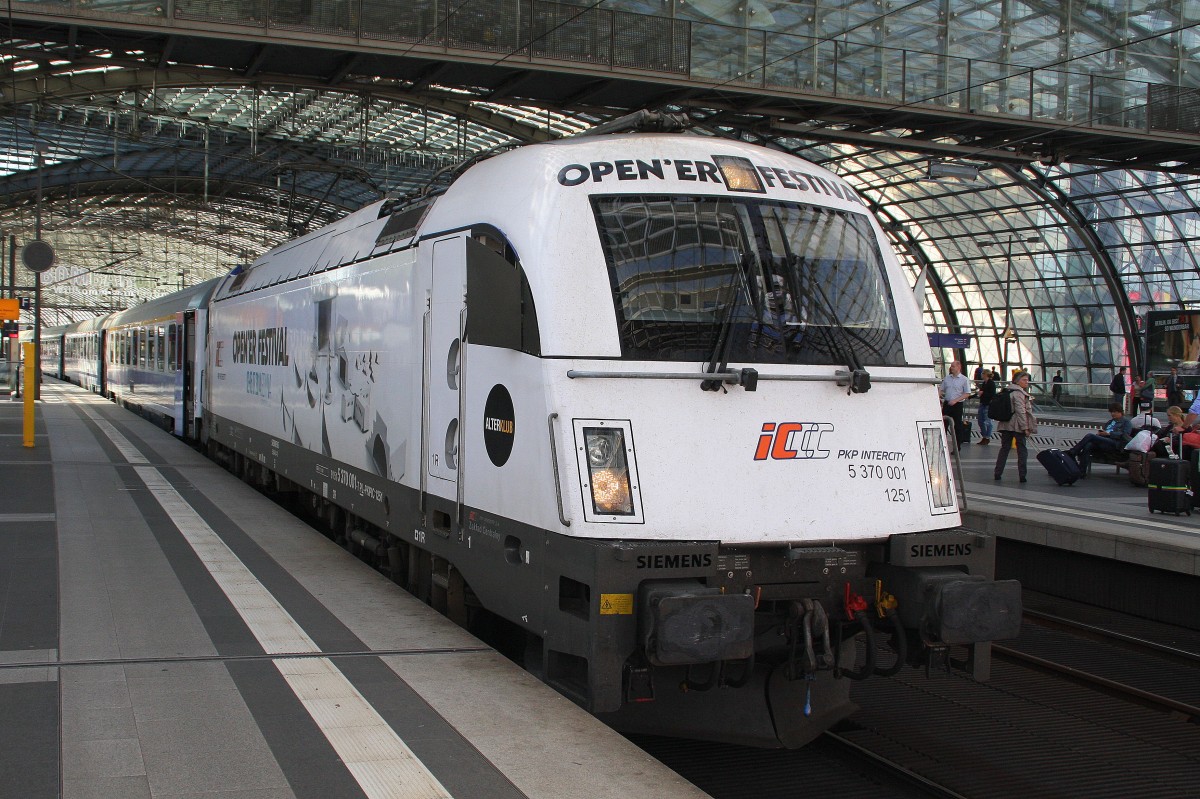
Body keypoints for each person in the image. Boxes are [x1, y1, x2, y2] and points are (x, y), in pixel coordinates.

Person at [1067, 404, 1134, 475]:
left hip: (1115, 443)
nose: (1112, 414)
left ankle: (1073, 452)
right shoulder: (1110, 422)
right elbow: (1105, 431)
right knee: (1088, 445)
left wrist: (1109, 434)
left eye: (1114, 412)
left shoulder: (1126, 422)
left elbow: (1125, 434)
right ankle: (1081, 471)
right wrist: (1101, 434)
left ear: (1120, 412)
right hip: (1105, 440)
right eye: (1111, 412)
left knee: (1090, 436)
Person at [994, 371, 1036, 482]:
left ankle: (997, 472)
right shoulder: (1019, 393)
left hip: (1005, 424)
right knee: (1022, 450)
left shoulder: (1006, 390)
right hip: (1017, 426)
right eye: (1024, 380)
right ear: (1017, 381)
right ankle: (1022, 475)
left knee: (1004, 449)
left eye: (1027, 380)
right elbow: (1021, 412)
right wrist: (1025, 428)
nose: (1027, 382)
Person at [939, 360, 972, 450]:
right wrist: (939, 396)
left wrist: (956, 400)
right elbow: (941, 389)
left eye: (953, 366)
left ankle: (957, 447)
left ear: (958, 367)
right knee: (944, 424)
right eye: (951, 366)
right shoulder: (947, 378)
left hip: (957, 404)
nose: (951, 368)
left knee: (957, 425)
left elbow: (967, 393)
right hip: (947, 404)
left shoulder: (964, 379)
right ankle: (942, 446)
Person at [976, 369, 997, 444]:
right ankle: (985, 436)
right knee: (980, 421)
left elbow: (992, 394)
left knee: (988, 421)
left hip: (988, 404)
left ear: (985, 374)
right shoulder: (984, 383)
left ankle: (987, 437)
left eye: (982, 373)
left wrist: (983, 393)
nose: (981, 375)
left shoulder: (991, 383)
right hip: (983, 403)